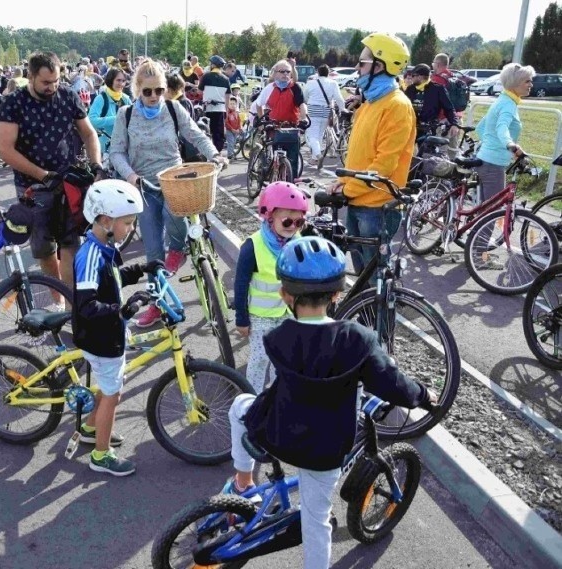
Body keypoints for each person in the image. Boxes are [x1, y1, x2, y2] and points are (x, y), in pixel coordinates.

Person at [224, 235, 437, 569]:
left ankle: (243, 482)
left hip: (277, 433)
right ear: (338, 293)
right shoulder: (357, 339)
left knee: (240, 407)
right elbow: (393, 384)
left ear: (285, 295)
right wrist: (424, 396)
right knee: (316, 523)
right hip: (324, 450)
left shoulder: (276, 337)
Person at [108, 59, 224, 328]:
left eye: (159, 90)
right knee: (152, 253)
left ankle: (179, 249)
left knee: (177, 224)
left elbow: (195, 135)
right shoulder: (126, 115)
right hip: (144, 187)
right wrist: (130, 175)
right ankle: (156, 305)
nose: (153, 96)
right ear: (137, 89)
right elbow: (116, 152)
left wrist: (215, 154)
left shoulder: (173, 109)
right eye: (147, 91)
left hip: (174, 182)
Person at [73, 179, 163, 476]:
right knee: (113, 395)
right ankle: (100, 455)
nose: (131, 228)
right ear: (105, 219)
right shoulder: (90, 256)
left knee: (107, 386)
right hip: (101, 338)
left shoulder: (104, 246)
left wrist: (142, 269)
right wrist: (121, 310)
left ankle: (89, 429)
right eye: (128, 222)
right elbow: (87, 306)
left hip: (108, 334)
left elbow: (113, 278)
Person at [0, 51, 103, 292]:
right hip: (32, 187)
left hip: (68, 183)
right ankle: (57, 299)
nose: (52, 87)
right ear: (31, 76)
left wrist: (96, 164)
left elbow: (88, 133)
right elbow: (5, 149)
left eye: (56, 81)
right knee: (44, 251)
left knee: (71, 245)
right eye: (46, 82)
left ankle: (70, 307)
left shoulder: (67, 95)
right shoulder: (13, 103)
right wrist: (43, 175)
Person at [329, 32, 414, 271]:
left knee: (376, 278)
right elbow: (360, 154)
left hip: (376, 205)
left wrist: (348, 188)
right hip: (359, 199)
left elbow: (383, 164)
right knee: (362, 276)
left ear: (380, 66)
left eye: (362, 63)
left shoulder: (397, 105)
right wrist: (342, 182)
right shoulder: (371, 103)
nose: (357, 68)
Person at [234, 182, 308, 392]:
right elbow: (240, 284)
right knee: (259, 360)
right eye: (287, 221)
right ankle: (253, 400)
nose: (293, 227)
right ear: (269, 216)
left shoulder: (297, 241)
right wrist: (241, 318)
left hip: (288, 314)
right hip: (260, 317)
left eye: (299, 221)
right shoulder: (253, 246)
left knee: (284, 360)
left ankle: (278, 396)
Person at [475, 62, 534, 203]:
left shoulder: (502, 100)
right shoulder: (508, 104)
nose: (531, 84)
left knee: (484, 211)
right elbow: (501, 127)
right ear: (516, 83)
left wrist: (494, 145)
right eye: (527, 81)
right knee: (491, 212)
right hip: (493, 164)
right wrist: (509, 145)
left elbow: (481, 127)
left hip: (485, 160)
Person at [255, 59, 308, 180]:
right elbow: (259, 104)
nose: (285, 74)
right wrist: (261, 121)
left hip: (291, 127)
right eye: (282, 71)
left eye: (288, 72)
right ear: (275, 73)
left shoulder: (295, 88)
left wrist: (303, 119)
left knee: (293, 159)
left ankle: (291, 185)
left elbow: (302, 105)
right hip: (274, 126)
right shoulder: (269, 88)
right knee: (273, 155)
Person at [305, 64, 345, 167]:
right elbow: (339, 98)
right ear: (328, 73)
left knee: (311, 135)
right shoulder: (333, 83)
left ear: (318, 72)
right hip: (326, 111)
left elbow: (305, 97)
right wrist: (342, 109)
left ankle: (318, 155)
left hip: (313, 110)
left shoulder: (310, 83)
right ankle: (314, 159)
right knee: (319, 135)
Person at [404, 63, 457, 135]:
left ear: (420, 77)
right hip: (411, 128)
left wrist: (454, 124)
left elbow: (449, 108)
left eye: (413, 76)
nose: (412, 78)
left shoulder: (437, 89)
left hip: (429, 130)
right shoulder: (410, 89)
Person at [88, 67, 131, 153]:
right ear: (111, 80)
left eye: (123, 81)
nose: (121, 84)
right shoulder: (101, 99)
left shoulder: (126, 99)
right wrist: (117, 118)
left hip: (124, 147)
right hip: (105, 148)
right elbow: (91, 120)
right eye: (118, 80)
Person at [199, 55, 232, 153]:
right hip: (220, 109)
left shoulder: (206, 76)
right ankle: (217, 152)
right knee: (218, 133)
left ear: (213, 65)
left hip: (208, 108)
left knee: (206, 131)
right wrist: (226, 110)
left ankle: (207, 152)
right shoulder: (225, 79)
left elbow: (200, 91)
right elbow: (228, 96)